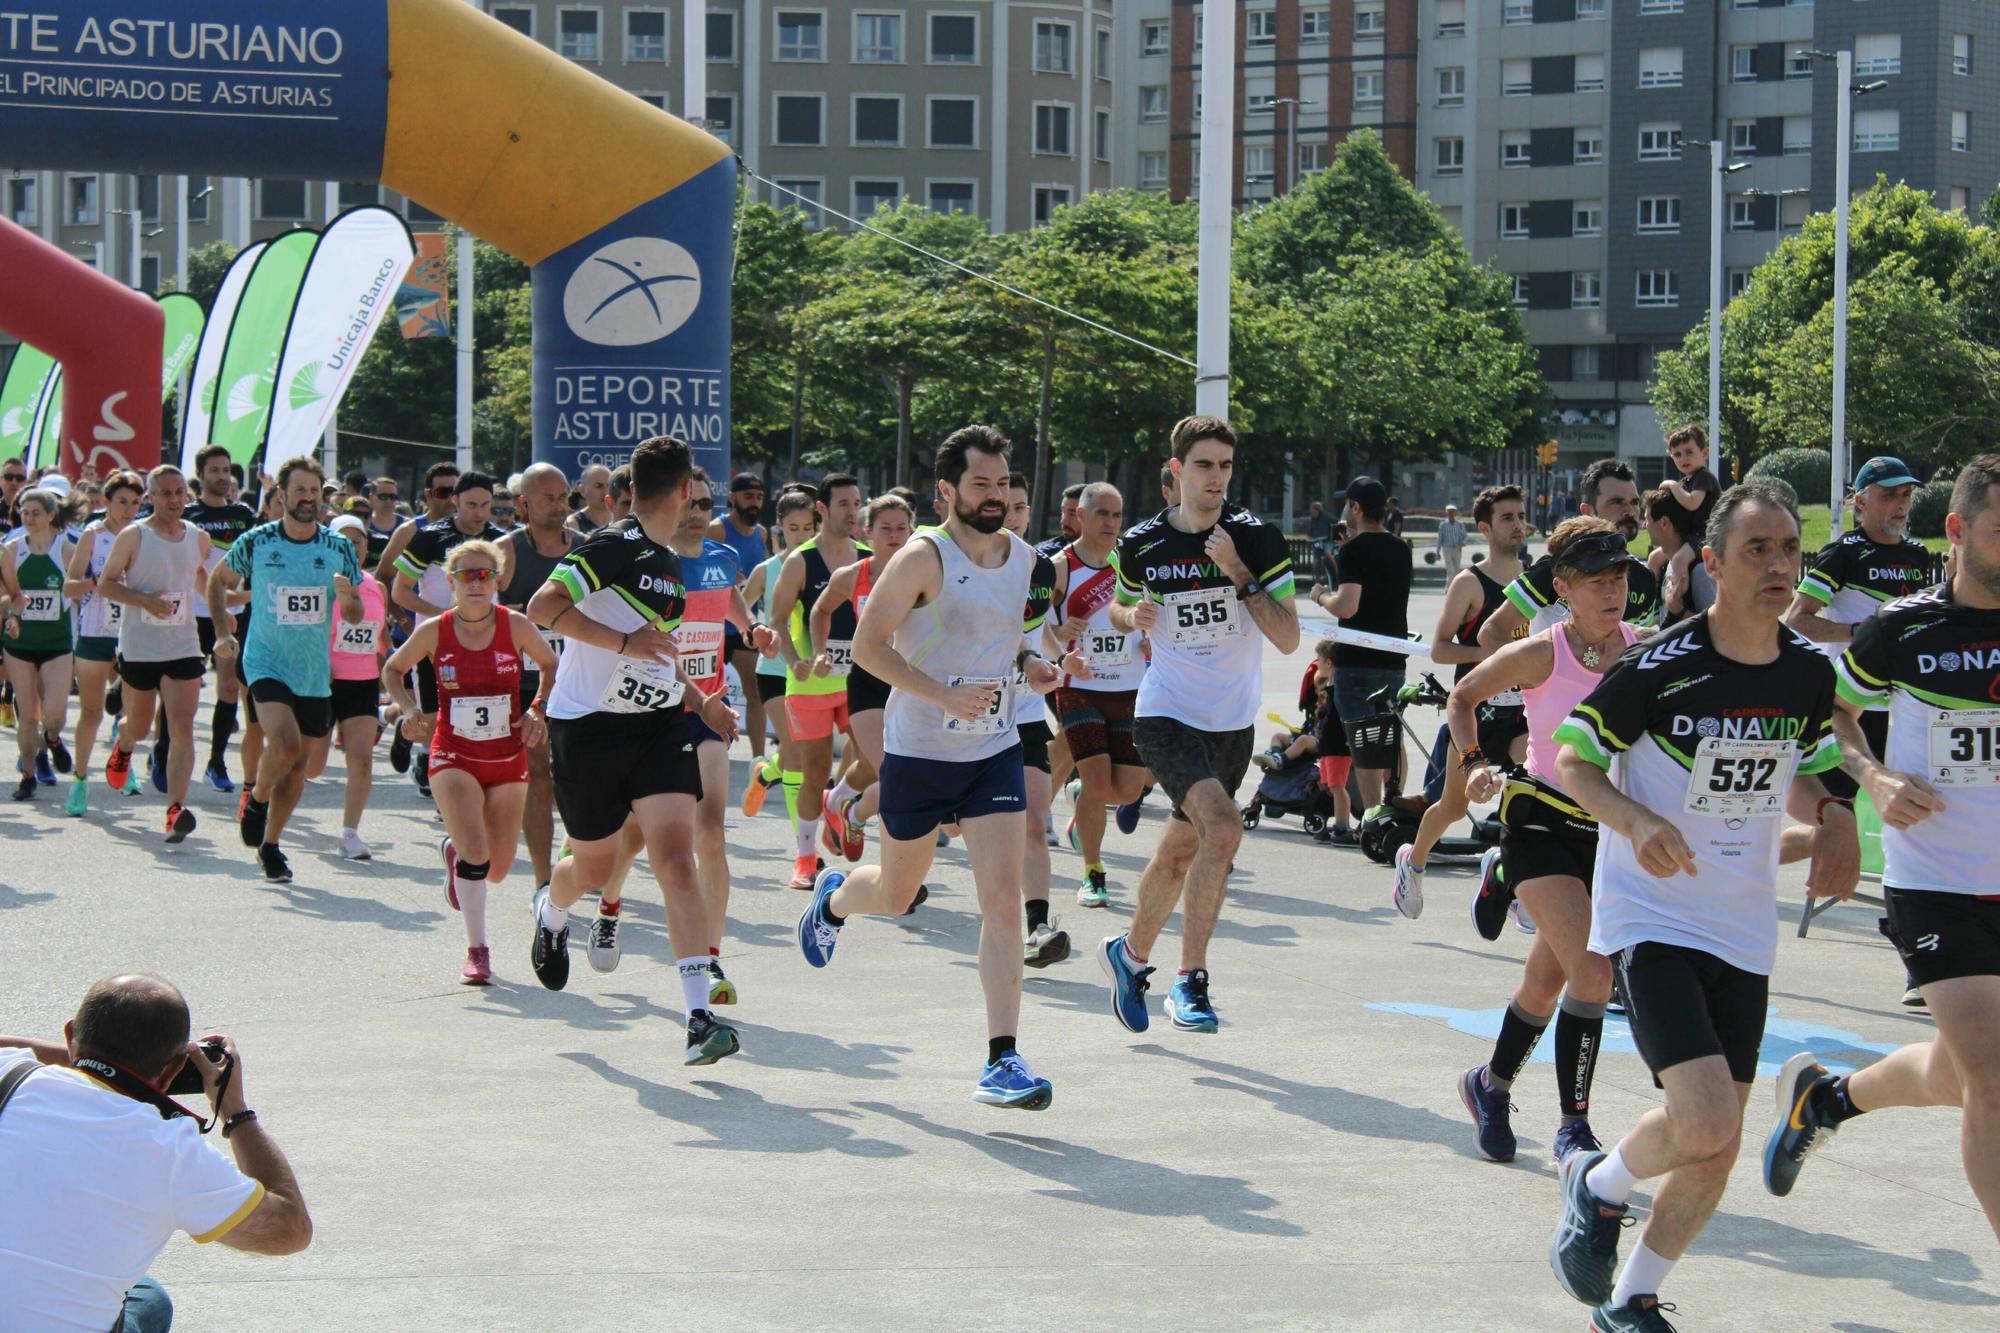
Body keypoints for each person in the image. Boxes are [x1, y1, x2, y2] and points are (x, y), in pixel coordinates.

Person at [1547, 482, 1859, 1331]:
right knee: (1709, 1116)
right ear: (1713, 563)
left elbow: (1807, 775)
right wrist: (1634, 816)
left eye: (1791, 549)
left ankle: (1628, 1292)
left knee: (1715, 1149)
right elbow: (1572, 756)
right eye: (1759, 550)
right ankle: (1601, 1185)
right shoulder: (1660, 664)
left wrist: (1835, 817)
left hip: (1742, 926)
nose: (1781, 566)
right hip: (1653, 916)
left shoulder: (1804, 671)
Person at [795, 426, 1073, 1109]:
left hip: (995, 750)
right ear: (946, 489)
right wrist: (943, 692)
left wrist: (1035, 667)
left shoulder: (1026, 559)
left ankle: (1001, 1059)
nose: (995, 496)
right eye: (981, 484)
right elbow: (866, 647)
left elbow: (1012, 646)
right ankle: (833, 899)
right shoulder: (923, 557)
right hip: (920, 749)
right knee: (894, 893)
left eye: (1003, 484)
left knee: (1003, 902)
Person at [1762, 455, 2000, 1241]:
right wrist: (1873, 774)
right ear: (1959, 531)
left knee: (1961, 1071)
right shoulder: (1903, 627)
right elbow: (1832, 709)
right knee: (1992, 1082)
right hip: (1939, 880)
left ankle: (1827, 1099)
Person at [525, 435, 745, 1066]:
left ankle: (698, 1018)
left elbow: (657, 655)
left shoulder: (669, 563)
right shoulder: (613, 545)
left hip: (656, 725)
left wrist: (701, 700)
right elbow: (544, 607)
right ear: (681, 491)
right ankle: (552, 907)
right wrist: (621, 644)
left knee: (676, 857)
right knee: (590, 870)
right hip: (589, 727)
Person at [1446, 519, 1638, 1167]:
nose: (1613, 593)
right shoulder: (1541, 653)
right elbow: (1463, 695)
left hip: (1604, 835)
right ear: (1563, 588)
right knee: (1593, 970)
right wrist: (1475, 760)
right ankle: (1574, 1126)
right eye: (1597, 583)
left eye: (1620, 580)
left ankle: (1489, 1084)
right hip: (1540, 818)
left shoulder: (1644, 652)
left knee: (1546, 978)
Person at [1098, 415, 1300, 1034]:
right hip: (1165, 712)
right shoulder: (1141, 543)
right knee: (1224, 827)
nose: (1217, 478)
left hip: (1230, 721)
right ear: (1177, 470)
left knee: (1183, 848)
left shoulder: (1257, 539)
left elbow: (1289, 638)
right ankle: (1191, 981)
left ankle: (1130, 956)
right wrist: (1135, 616)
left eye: (1226, 466)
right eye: (1205, 465)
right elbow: (1117, 603)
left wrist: (1239, 573)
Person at [0, 974, 312, 1332]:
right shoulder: (175, 1153)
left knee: (146, 1294)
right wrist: (235, 1111)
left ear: (71, 1036)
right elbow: (290, 1230)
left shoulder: (9, 1075)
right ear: (176, 1067)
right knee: (149, 1300)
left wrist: (85, 1059)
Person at [384, 540, 555, 984]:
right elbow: (392, 670)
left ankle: (453, 853)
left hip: (506, 755)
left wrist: (537, 709)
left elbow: (551, 664)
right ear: (450, 582)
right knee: (479, 858)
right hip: (453, 752)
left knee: (497, 868)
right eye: (466, 575)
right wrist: (408, 712)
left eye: (484, 575)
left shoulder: (514, 626)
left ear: (497, 580)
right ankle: (478, 951)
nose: (476, 583)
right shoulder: (434, 630)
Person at [210, 457, 366, 885]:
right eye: (299, 490)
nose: (308, 498)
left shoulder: (339, 548)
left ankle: (272, 845)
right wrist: (222, 632)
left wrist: (346, 597)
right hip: (265, 660)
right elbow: (215, 582)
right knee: (283, 743)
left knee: (298, 768)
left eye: (314, 491)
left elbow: (354, 614)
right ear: (281, 495)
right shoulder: (257, 541)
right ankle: (257, 798)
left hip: (313, 671)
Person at [1392, 485, 1528, 917]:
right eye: (1507, 518)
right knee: (1453, 805)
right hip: (1476, 710)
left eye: (1521, 516)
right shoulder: (1470, 583)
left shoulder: (1535, 579)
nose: (1518, 525)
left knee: (1533, 788)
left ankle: (1517, 882)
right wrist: (1492, 654)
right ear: (1485, 528)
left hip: (1523, 711)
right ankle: (1412, 863)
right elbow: (1439, 649)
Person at [1048, 481, 1152, 909]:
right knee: (1094, 778)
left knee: (1127, 790)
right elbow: (1030, 626)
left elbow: (1149, 614)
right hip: (1079, 688)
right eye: (1102, 514)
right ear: (1081, 518)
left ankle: (1081, 810)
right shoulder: (1059, 567)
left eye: (1117, 515)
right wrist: (1057, 635)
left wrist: (1149, 637)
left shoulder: (1132, 563)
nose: (1110, 522)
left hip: (1127, 685)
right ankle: (1094, 872)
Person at [98, 467, 210, 841]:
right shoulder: (134, 536)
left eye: (179, 492)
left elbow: (199, 577)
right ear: (151, 497)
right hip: (140, 645)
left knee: (182, 725)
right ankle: (125, 745)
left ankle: (175, 809)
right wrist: (144, 599)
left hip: (183, 645)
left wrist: (220, 608)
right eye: (165, 494)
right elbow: (106, 584)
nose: (174, 500)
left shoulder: (198, 537)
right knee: (141, 726)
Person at [769, 473, 867, 889]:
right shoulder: (801, 561)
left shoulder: (868, 556)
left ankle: (838, 802)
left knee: (876, 760)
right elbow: (775, 622)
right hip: (811, 685)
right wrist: (796, 661)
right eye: (843, 504)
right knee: (813, 771)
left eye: (857, 503)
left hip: (861, 682)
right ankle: (806, 858)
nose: (852, 511)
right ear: (822, 510)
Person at [391, 472, 508, 794]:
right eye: (471, 504)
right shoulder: (431, 537)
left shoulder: (500, 540)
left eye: (486, 505)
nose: (478, 512)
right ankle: (409, 733)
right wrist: (444, 618)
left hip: (481, 641)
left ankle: (456, 788)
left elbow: (505, 589)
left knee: (473, 715)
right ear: (455, 501)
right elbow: (400, 591)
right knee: (432, 720)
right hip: (432, 642)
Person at [811, 493, 914, 860]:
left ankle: (841, 804)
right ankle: (895, 871)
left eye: (902, 528)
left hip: (911, 681)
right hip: (868, 682)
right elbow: (820, 611)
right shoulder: (852, 576)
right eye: (885, 528)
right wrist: (820, 651)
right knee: (893, 775)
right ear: (866, 531)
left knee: (875, 766)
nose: (895, 535)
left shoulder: (926, 572)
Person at [492, 462, 577, 893]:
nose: (560, 505)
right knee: (539, 777)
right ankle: (544, 879)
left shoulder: (586, 548)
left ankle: (575, 852)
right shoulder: (504, 553)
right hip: (526, 687)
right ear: (524, 504)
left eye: (563, 495)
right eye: (549, 497)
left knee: (579, 778)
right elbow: (481, 620)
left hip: (580, 684)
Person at [1307, 476, 1411, 813]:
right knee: (1390, 737)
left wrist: (1321, 596)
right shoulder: (1400, 548)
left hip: (1357, 659)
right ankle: (1393, 802)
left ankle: (1372, 815)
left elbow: (1348, 605)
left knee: (1364, 742)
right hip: (1393, 657)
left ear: (1356, 508)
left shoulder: (1353, 550)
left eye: (1346, 504)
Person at [1479, 458, 1662, 649]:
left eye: (1634, 502)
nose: (1629, 511)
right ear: (1587, 511)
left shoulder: (1644, 577)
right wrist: (1529, 676)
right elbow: (1492, 632)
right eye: (1617, 502)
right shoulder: (1555, 568)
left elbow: (1642, 653)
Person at [1003, 471, 1070, 966]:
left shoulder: (1041, 568)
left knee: (1033, 819)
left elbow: (1040, 631)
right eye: (1003, 504)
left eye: (1022, 506)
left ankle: (1038, 926)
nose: (1012, 514)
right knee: (954, 827)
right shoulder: (951, 564)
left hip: (1023, 712)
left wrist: (1064, 658)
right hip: (960, 716)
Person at [61, 470, 142, 817]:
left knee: (132, 712)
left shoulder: (143, 536)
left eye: (136, 503)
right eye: (122, 502)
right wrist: (98, 583)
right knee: (92, 712)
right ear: (106, 502)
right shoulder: (92, 536)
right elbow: (69, 586)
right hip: (95, 631)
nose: (129, 509)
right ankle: (80, 780)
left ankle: (123, 762)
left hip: (134, 632)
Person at [181, 445, 259, 796]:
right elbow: (189, 568)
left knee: (229, 687)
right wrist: (216, 601)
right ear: (201, 475)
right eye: (215, 470)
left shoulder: (243, 514)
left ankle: (215, 761)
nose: (223, 477)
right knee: (180, 691)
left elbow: (256, 561)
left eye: (226, 470)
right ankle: (165, 749)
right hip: (189, 613)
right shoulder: (187, 514)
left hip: (233, 614)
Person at [313, 515, 390, 861]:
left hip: (362, 682)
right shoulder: (319, 582)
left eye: (357, 541)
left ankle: (349, 833)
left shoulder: (377, 586)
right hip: (322, 680)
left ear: (366, 547)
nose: (351, 547)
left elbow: (379, 636)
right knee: (310, 765)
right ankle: (267, 799)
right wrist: (318, 663)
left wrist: (387, 670)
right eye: (342, 540)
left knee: (361, 760)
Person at [742, 489, 820, 827]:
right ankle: (803, 849)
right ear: (779, 528)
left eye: (807, 528)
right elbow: (740, 611)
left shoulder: (828, 566)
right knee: (795, 749)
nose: (801, 535)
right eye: (793, 528)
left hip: (813, 673)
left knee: (798, 753)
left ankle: (765, 774)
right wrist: (757, 630)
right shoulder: (766, 570)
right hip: (774, 670)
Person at [0, 484, 81, 800]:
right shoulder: (11, 550)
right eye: (24, 512)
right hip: (19, 642)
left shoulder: (66, 550)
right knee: (28, 715)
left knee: (54, 714)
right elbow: (5, 594)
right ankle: (28, 775)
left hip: (57, 642)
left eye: (36, 513)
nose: (29, 518)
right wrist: (13, 608)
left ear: (51, 516)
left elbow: (78, 589)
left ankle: (54, 738)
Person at [711, 470, 772, 768]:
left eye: (759, 497)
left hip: (745, 624)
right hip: (713, 626)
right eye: (748, 496)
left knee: (755, 689)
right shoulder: (716, 531)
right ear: (732, 498)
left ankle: (758, 758)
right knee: (708, 689)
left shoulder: (762, 534)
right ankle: (706, 748)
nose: (754, 503)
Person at [1659, 424, 1721, 616]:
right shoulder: (1688, 481)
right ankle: (1652, 600)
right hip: (1691, 536)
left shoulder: (1703, 477)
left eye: (1688, 452)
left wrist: (1671, 485)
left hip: (1705, 536)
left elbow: (1693, 503)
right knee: (1655, 558)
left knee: (1678, 560)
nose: (1683, 458)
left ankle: (1676, 598)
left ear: (1704, 452)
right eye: (1677, 454)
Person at [1036, 482, 1086, 558]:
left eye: (1072, 514)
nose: (1063, 521)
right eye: (1063, 512)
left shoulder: (1109, 556)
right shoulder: (1044, 555)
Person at [567, 463, 613, 535]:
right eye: (599, 486)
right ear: (582, 490)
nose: (606, 492)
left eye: (609, 486)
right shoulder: (572, 524)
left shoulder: (622, 519)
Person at [1435, 503, 1468, 577]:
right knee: (1451, 571)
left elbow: (1465, 536)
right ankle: (1448, 589)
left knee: (1456, 572)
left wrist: (1462, 544)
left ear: (1455, 513)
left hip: (1457, 549)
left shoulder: (1460, 524)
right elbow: (1440, 539)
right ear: (1446, 512)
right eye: (1449, 511)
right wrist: (1437, 551)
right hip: (1447, 549)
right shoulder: (1443, 525)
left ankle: (1452, 588)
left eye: (1452, 511)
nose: (1451, 513)